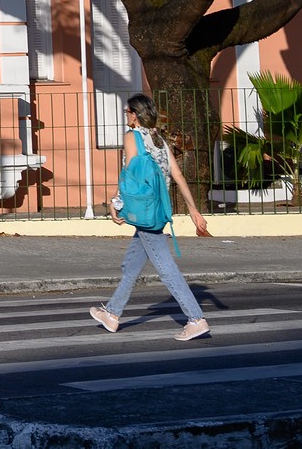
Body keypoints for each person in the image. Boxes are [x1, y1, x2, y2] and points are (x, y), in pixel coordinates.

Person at [89, 93, 213, 341]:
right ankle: (112, 314)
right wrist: (193, 209)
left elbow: (129, 174)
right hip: (158, 209)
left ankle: (196, 319)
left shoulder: (132, 136)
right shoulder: (158, 139)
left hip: (144, 210)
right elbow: (178, 176)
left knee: (166, 269)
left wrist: (115, 202)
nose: (126, 116)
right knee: (131, 266)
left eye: (128, 112)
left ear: (135, 114)